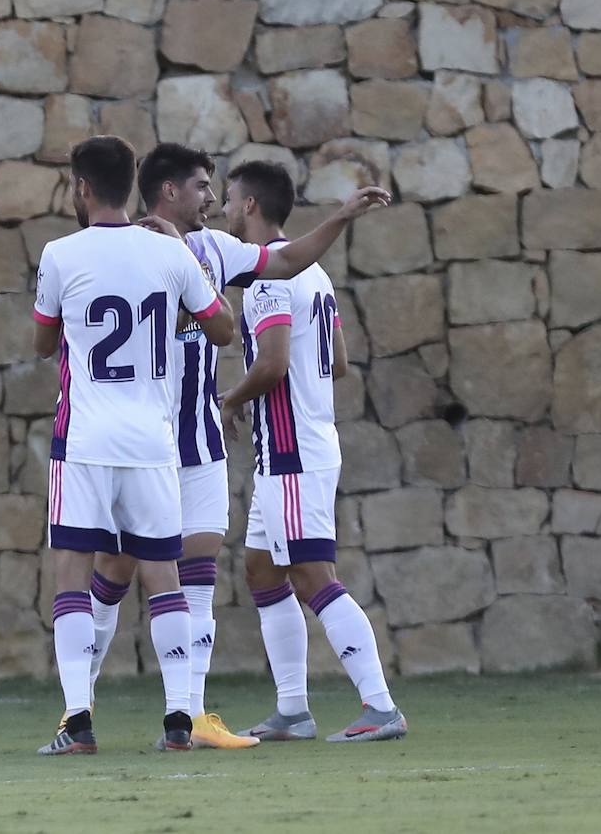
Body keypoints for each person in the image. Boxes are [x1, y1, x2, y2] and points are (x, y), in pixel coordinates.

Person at [69, 144, 391, 749]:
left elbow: (288, 259)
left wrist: (341, 218)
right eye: (200, 187)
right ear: (168, 192)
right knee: (114, 574)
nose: (213, 199)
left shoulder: (217, 250)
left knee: (199, 577)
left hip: (206, 445)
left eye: (215, 188)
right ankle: (76, 710)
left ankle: (188, 719)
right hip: (145, 445)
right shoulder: (130, 248)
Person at [31, 136, 237, 755]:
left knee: (72, 575)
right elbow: (223, 327)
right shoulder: (167, 253)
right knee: (164, 579)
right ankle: (179, 718)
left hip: (85, 442)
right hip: (153, 442)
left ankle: (78, 721)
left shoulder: (60, 254)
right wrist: (182, 270)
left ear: (82, 188)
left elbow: (43, 345)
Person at [218, 161, 407, 743]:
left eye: (229, 198)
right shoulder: (315, 273)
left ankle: (380, 707)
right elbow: (340, 362)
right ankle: (293, 710)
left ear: (249, 206)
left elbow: (272, 364)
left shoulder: (269, 279)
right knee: (260, 567)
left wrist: (230, 398)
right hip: (298, 445)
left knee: (312, 574)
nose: (224, 208)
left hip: (293, 450)